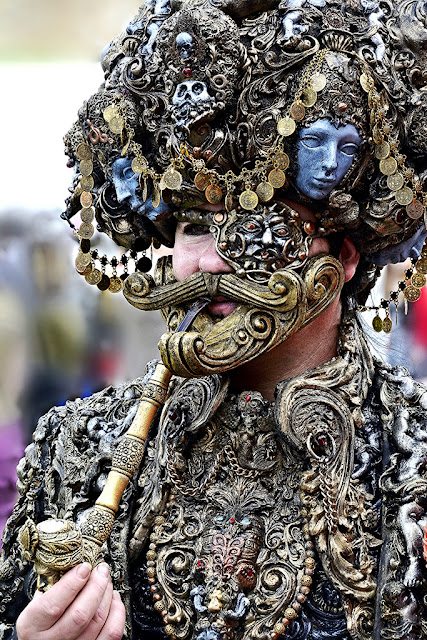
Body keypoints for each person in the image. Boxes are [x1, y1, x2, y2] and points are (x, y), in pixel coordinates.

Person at [1, 1, 427, 639]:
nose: (200, 261)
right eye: (192, 225)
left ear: (341, 251)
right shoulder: (75, 452)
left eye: (246, 226)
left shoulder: (412, 455)